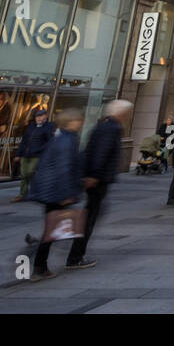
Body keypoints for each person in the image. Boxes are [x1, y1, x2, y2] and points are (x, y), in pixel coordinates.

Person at [66, 99, 132, 269]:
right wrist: (93, 175)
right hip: (97, 179)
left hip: (94, 177)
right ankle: (75, 254)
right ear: (120, 113)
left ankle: (70, 243)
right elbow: (100, 153)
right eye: (126, 113)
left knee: (90, 213)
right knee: (89, 217)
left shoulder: (102, 125)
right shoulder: (111, 128)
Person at [28, 107, 84, 279]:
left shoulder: (59, 137)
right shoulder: (67, 140)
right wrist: (66, 194)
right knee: (54, 229)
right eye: (78, 120)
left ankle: (38, 260)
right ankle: (38, 263)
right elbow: (64, 168)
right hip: (57, 191)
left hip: (50, 189)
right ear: (71, 122)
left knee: (55, 228)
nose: (81, 123)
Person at [13, 107, 53, 202]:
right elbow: (24, 141)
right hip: (25, 154)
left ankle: (36, 192)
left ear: (45, 116)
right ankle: (22, 194)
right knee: (23, 174)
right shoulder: (31, 126)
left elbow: (50, 142)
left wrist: (39, 150)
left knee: (30, 172)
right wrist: (18, 154)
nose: (38, 118)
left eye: (41, 116)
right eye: (37, 117)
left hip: (37, 155)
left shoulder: (49, 127)